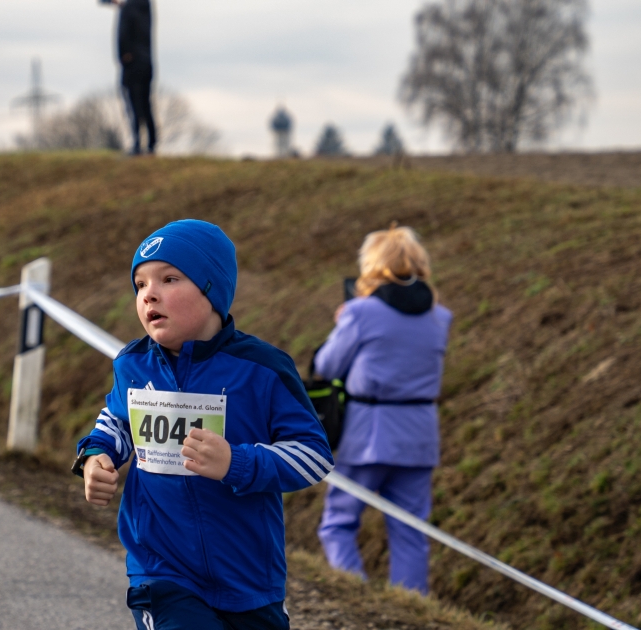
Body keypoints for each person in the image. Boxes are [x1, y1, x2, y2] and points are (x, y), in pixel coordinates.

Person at [74, 219, 333, 629]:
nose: (149, 294)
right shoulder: (133, 364)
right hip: (161, 569)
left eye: (169, 278)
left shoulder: (263, 369)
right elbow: (119, 422)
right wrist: (97, 455)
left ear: (211, 289)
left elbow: (313, 456)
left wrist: (238, 462)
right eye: (140, 284)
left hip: (249, 576)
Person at [313, 224, 452, 594]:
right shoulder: (440, 317)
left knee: (338, 524)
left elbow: (327, 366)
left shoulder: (360, 313)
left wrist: (343, 322)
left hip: (367, 433)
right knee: (411, 531)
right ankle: (409, 611)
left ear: (373, 266)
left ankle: (357, 599)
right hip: (419, 433)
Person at [114, 0, 156, 155]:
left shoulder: (128, 9)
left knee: (133, 104)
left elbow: (123, 35)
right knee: (146, 104)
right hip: (147, 62)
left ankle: (137, 143)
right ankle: (152, 144)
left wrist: (123, 56)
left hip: (131, 64)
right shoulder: (146, 6)